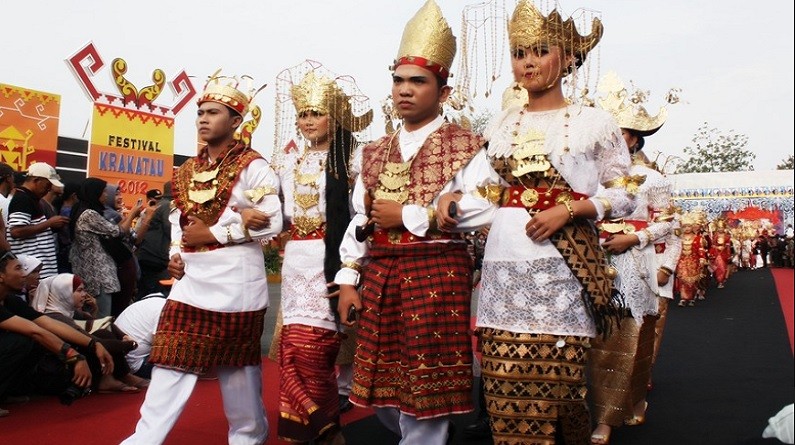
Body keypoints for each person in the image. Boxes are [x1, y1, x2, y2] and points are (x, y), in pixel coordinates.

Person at [439, 2, 634, 443]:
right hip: (505, 267)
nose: (527, 62)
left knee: (561, 388)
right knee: (505, 384)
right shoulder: (503, 121)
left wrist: (570, 209)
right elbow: (489, 190)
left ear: (566, 58)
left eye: (540, 51)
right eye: (519, 52)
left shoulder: (595, 123)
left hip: (563, 270)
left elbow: (626, 193)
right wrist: (455, 199)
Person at [335, 2, 497, 443]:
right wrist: (349, 277)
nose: (405, 90)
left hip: (437, 274)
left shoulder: (464, 145)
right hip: (382, 271)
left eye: (418, 81)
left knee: (426, 391)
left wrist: (415, 215)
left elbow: (489, 202)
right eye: (399, 80)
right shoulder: (373, 150)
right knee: (384, 392)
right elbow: (359, 220)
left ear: (443, 92)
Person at [121, 71, 282, 445]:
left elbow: (271, 222)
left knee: (237, 375)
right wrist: (176, 255)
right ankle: (142, 440)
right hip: (191, 284)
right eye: (201, 112)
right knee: (170, 361)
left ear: (236, 121)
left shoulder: (253, 166)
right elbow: (181, 223)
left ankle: (248, 437)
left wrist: (216, 232)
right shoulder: (187, 170)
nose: (204, 119)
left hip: (236, 285)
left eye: (214, 112)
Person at [272, 62, 372, 444]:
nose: (308, 120)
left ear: (337, 116)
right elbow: (280, 218)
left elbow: (360, 216)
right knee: (292, 352)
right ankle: (320, 428)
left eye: (316, 112)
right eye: (303, 113)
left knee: (313, 353)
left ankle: (317, 428)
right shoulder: (289, 163)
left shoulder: (353, 160)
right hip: (296, 262)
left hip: (332, 260)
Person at [589, 73, 680, 444]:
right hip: (592, 264)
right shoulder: (587, 176)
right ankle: (593, 408)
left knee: (632, 340)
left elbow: (671, 222)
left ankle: (615, 413)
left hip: (635, 267)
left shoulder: (650, 179)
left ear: (632, 138)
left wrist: (635, 237)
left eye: (617, 133)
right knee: (591, 340)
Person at [0, 249, 114, 416]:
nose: (25, 274)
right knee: (22, 341)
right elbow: (35, 331)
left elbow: (47, 323)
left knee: (39, 341)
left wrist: (93, 343)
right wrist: (74, 356)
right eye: (18, 269)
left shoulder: (10, 300)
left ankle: (6, 393)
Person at [30, 273, 146, 392]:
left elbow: (103, 323)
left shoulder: (68, 311)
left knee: (103, 332)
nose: (84, 294)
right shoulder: (54, 317)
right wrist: (130, 344)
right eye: (79, 290)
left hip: (69, 365)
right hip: (54, 373)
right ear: (63, 293)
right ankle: (119, 377)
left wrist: (123, 335)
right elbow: (95, 342)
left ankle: (116, 377)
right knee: (102, 336)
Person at [69, 178, 142, 318]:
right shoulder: (89, 214)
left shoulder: (82, 210)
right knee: (101, 318)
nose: (106, 195)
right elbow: (118, 232)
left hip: (90, 273)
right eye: (103, 192)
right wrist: (133, 212)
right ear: (94, 193)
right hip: (97, 275)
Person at [6, 162, 69, 279]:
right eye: (47, 185)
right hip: (32, 271)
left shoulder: (32, 198)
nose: (49, 189)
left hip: (39, 269)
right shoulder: (22, 199)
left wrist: (52, 226)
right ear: (36, 180)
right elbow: (16, 232)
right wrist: (49, 223)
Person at [113, 288, 168, 380]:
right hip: (135, 364)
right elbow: (161, 348)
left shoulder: (154, 300)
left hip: (124, 360)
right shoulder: (164, 308)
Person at [134, 187, 172, 299]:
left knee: (144, 292)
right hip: (155, 257)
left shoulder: (159, 205)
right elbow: (170, 229)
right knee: (151, 294)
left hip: (148, 255)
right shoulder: (167, 206)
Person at [675, 211, 708, 307]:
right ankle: (683, 298)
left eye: (689, 226)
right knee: (683, 280)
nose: (687, 228)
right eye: (684, 227)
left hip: (694, 261)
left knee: (692, 281)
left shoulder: (698, 238)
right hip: (682, 261)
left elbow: (700, 249)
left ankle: (692, 298)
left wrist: (702, 259)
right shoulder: (678, 238)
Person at [709, 219, 732, 288]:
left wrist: (728, 254)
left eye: (722, 228)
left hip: (723, 254)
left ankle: (721, 281)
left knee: (722, 268)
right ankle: (718, 280)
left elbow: (728, 246)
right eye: (719, 228)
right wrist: (712, 252)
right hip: (716, 254)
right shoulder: (715, 236)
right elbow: (713, 245)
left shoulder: (727, 236)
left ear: (724, 228)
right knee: (716, 268)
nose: (720, 229)